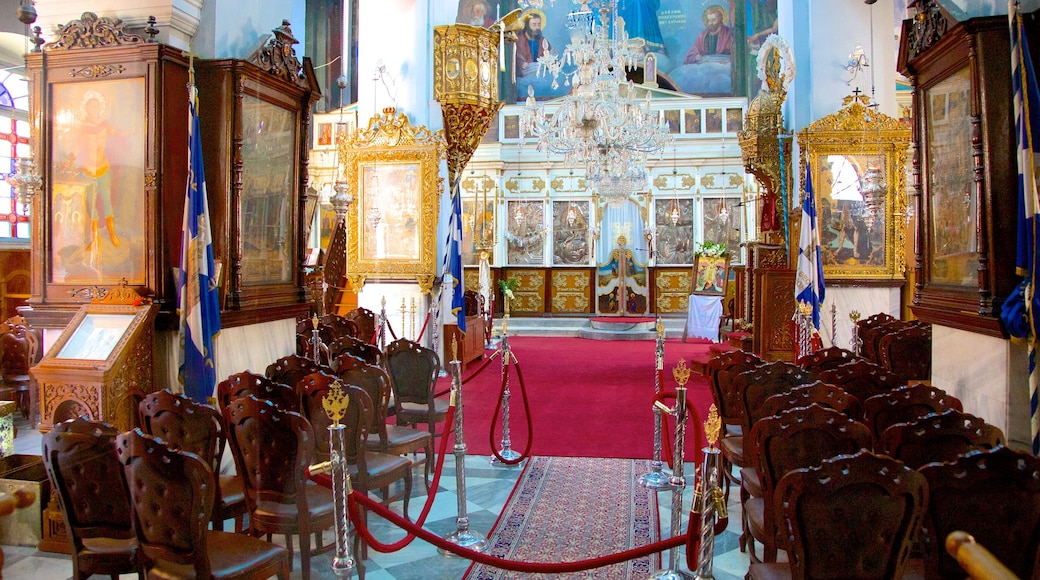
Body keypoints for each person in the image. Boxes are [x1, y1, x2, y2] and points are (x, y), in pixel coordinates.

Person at [76, 92, 120, 249]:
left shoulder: (105, 126)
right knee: (90, 203)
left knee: (107, 201)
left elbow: (118, 136)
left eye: (95, 107)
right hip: (87, 169)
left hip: (102, 167)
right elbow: (77, 146)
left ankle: (111, 233)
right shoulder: (82, 128)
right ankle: (93, 238)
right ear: (86, 109)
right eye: (90, 107)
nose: (93, 110)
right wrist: (69, 159)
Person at [515, 9, 551, 78]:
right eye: (534, 25)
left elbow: (549, 58)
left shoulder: (543, 41)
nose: (537, 27)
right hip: (524, 77)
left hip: (540, 76)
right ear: (527, 26)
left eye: (538, 25)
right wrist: (521, 64)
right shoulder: (519, 40)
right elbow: (516, 57)